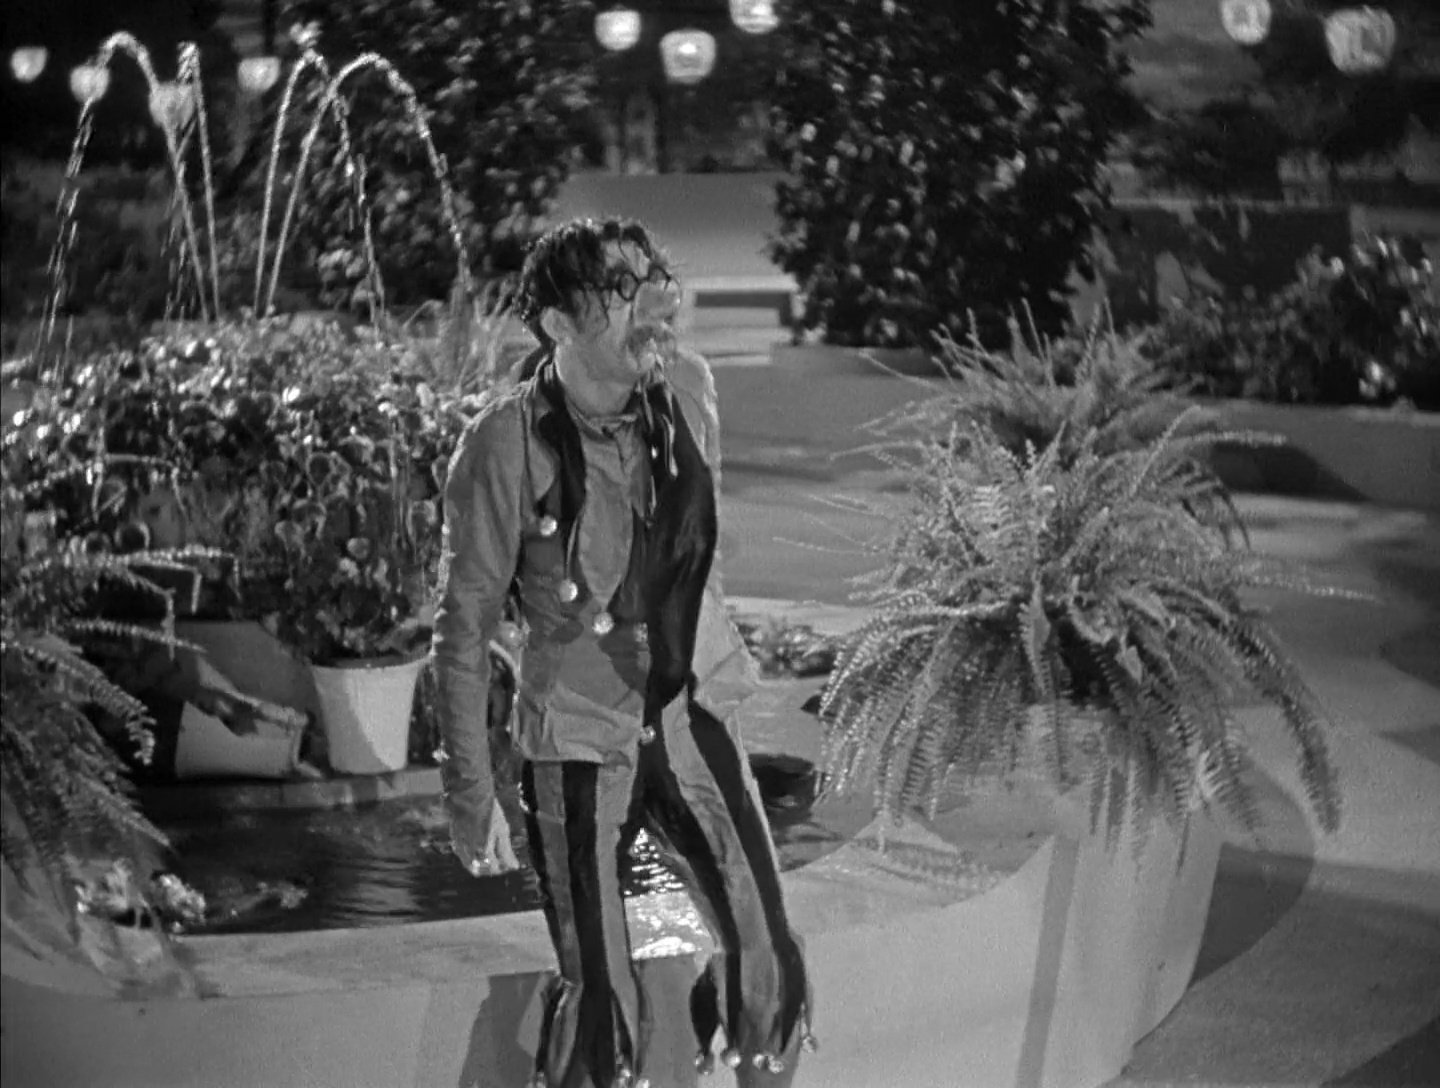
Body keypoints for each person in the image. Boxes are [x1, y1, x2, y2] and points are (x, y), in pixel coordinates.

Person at [431, 217, 813, 1088]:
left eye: (652, 278)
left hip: (686, 715)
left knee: (767, 962)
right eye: (618, 290)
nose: (653, 305)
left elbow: (696, 551)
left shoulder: (689, 388)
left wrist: (706, 652)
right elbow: (465, 628)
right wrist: (471, 794)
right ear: (557, 324)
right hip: (576, 739)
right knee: (602, 1006)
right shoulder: (503, 444)